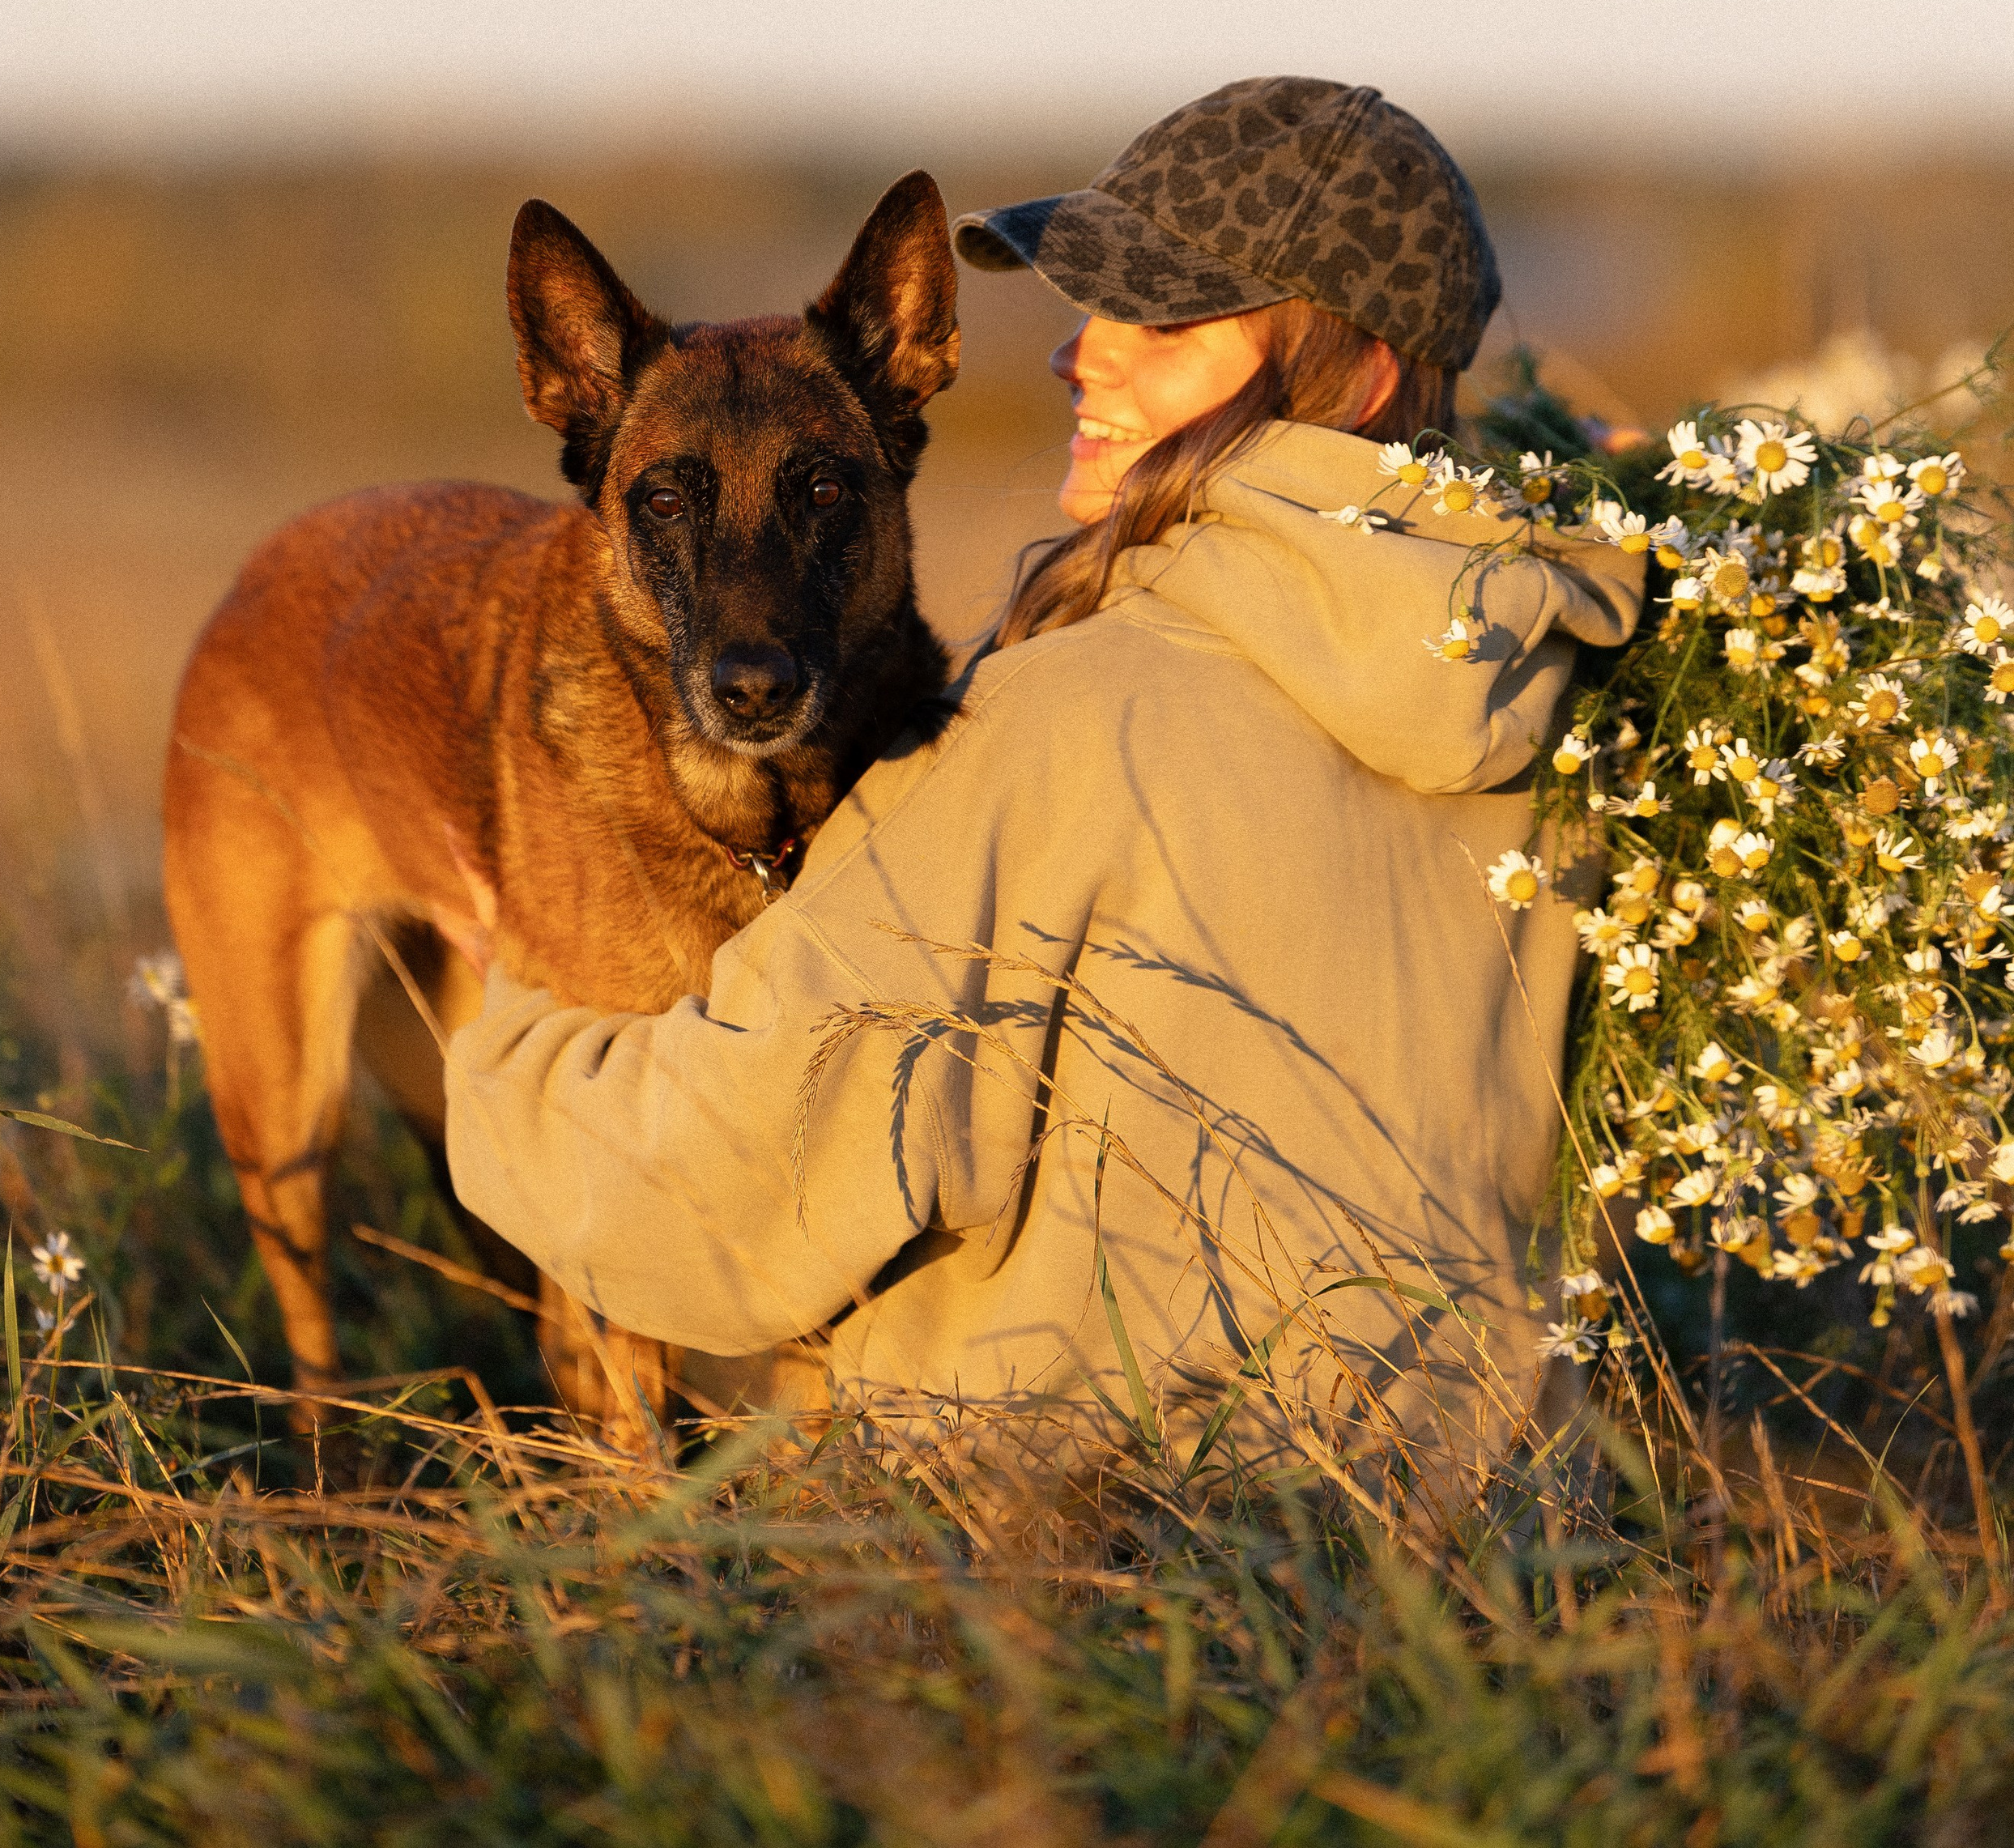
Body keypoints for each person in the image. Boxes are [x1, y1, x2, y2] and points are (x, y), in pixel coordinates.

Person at [443, 78, 1647, 1496]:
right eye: (1096, 305)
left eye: (1164, 316)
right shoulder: (1583, 682)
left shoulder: (1062, 721)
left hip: (1085, 1522)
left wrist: (499, 1030)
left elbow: (714, 1199)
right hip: (1490, 1500)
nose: (1084, 354)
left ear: (1361, 374)